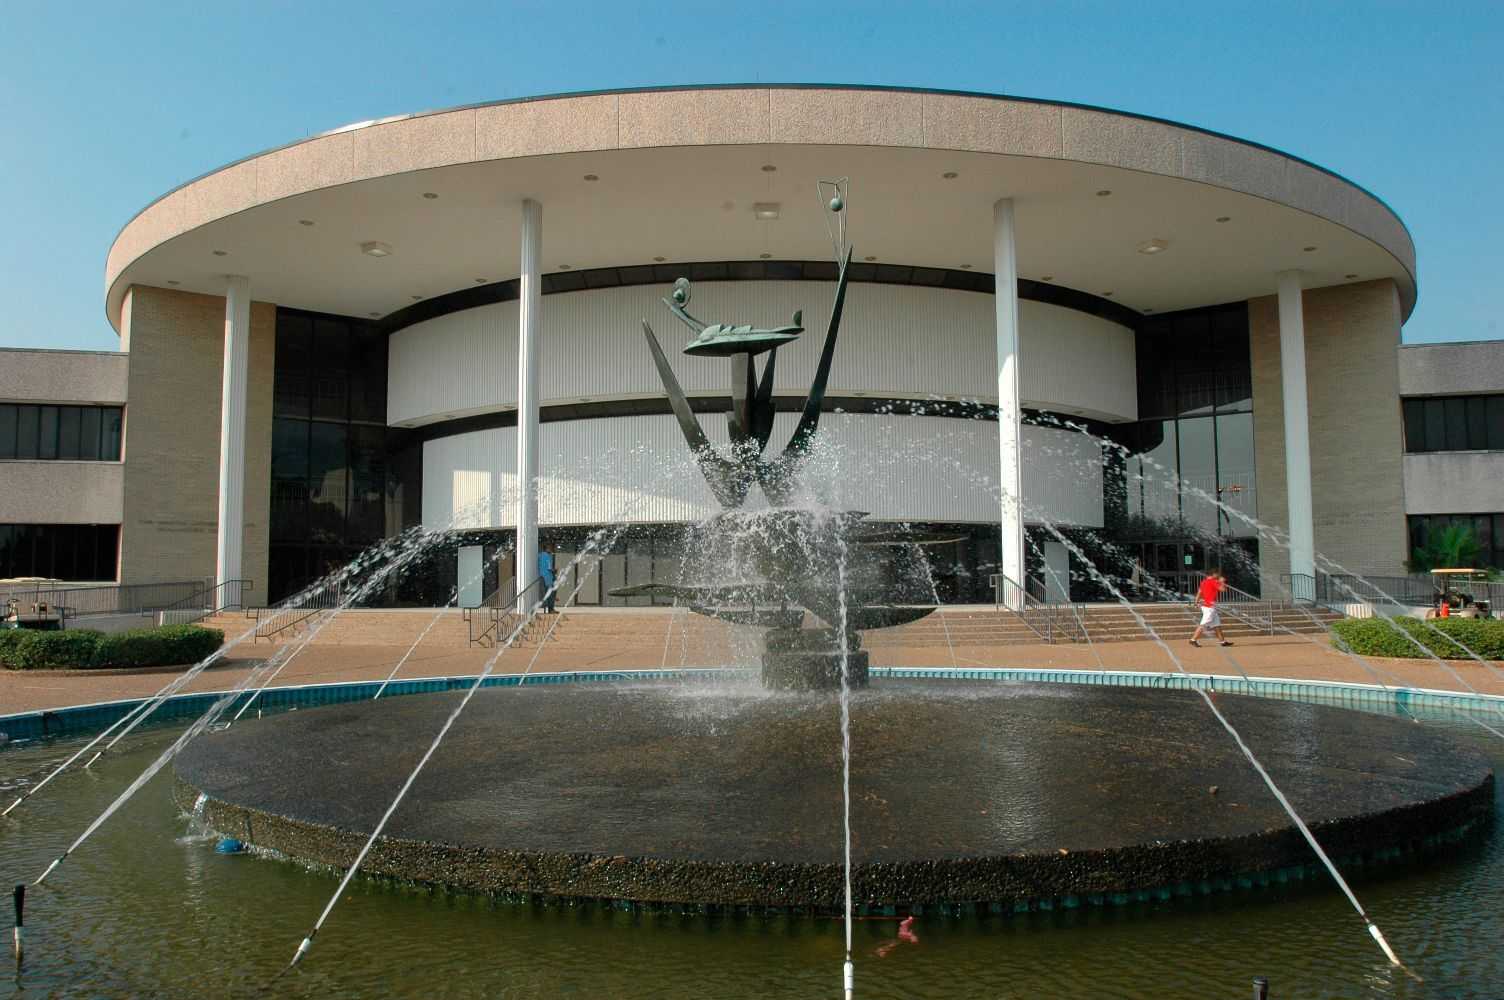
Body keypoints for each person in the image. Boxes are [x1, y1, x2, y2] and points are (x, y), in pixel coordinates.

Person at [1189, 568, 1232, 648]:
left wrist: (1196, 602)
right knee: (1203, 624)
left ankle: (1222, 641)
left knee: (1216, 624)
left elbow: (1199, 593)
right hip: (1209, 607)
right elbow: (1223, 589)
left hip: (1207, 606)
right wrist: (1222, 582)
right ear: (1214, 574)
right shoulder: (1213, 581)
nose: (1218, 576)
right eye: (1217, 574)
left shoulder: (1203, 582)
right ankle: (1193, 640)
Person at [538, 543, 557, 614]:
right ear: (547, 548)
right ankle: (550, 609)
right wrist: (555, 570)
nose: (551, 549)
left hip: (542, 578)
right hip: (548, 578)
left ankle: (548, 609)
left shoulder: (540, 555)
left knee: (546, 594)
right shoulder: (547, 556)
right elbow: (549, 568)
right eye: (550, 547)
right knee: (551, 594)